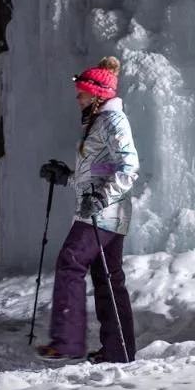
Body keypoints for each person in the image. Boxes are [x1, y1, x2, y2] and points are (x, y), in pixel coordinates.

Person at [37, 56, 139, 363]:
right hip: (104, 211)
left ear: (97, 95)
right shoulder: (99, 122)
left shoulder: (112, 121)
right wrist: (67, 176)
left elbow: (129, 168)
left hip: (104, 213)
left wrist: (101, 198)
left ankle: (67, 343)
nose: (77, 97)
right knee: (108, 278)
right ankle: (118, 350)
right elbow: (99, 170)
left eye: (82, 92)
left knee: (70, 262)